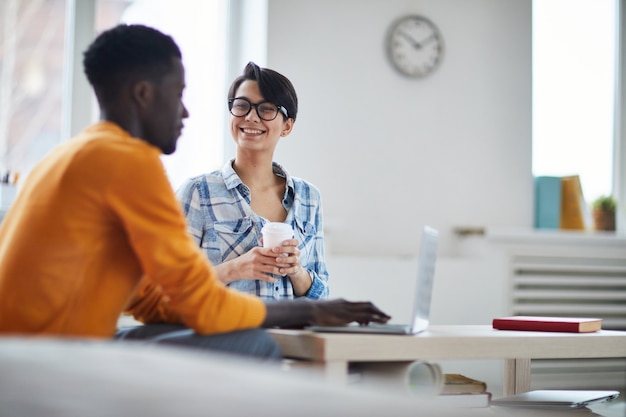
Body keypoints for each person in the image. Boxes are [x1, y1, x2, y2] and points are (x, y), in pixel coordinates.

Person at [0, 24, 390, 360]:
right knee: (257, 346)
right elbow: (199, 303)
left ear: (286, 124)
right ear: (143, 94)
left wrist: (306, 299)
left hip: (30, 349)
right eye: (178, 93)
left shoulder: (73, 154)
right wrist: (311, 313)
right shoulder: (129, 161)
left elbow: (148, 300)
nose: (185, 112)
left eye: (266, 110)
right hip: (47, 358)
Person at [177, 62, 328, 301]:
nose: (251, 117)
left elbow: (321, 296)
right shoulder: (197, 192)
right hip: (224, 336)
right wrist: (236, 268)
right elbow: (170, 286)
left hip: (288, 336)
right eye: (241, 106)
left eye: (266, 109)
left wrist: (296, 271)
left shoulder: (308, 197)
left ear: (287, 126)